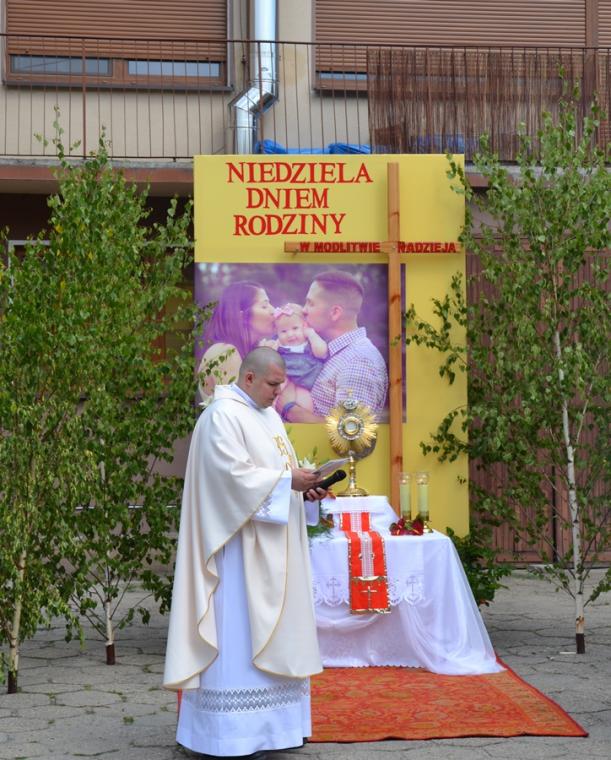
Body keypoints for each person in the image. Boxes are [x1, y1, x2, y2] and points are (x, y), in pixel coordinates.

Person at [163, 347, 326, 759]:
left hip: (274, 549)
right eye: (273, 384)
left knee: (277, 635)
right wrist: (287, 482)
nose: (278, 393)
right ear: (249, 378)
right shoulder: (221, 416)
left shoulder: (269, 417)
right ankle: (229, 736)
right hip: (236, 555)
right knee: (238, 638)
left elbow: (278, 474)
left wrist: (305, 489)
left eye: (282, 385)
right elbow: (230, 480)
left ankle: (278, 730)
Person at [278, 270, 388, 423]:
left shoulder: (359, 361)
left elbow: (350, 432)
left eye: (311, 303)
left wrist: (290, 409)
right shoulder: (332, 351)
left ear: (335, 312)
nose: (304, 310)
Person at [197, 281, 276, 403]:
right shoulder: (225, 352)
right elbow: (241, 407)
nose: (273, 310)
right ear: (242, 316)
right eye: (264, 306)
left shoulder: (253, 351)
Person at [272, 303, 328, 413]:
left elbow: (322, 353)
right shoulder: (278, 344)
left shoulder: (310, 342)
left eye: (295, 328)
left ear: (304, 326)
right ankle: (270, 408)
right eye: (283, 331)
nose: (290, 334)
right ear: (277, 333)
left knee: (306, 406)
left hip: (306, 383)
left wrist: (311, 334)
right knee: (274, 387)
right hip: (286, 377)